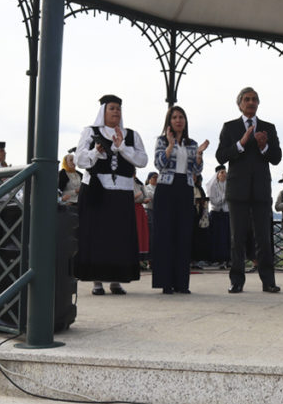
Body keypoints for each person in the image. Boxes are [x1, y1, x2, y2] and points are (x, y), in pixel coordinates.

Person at [74, 94, 148, 295]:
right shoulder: (91, 132)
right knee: (97, 235)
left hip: (122, 191)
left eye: (118, 108)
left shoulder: (131, 135)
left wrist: (121, 147)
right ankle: (97, 281)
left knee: (119, 236)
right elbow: (79, 159)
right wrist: (96, 152)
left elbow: (142, 160)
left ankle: (117, 279)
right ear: (103, 111)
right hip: (97, 190)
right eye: (112, 108)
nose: (116, 112)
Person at [216, 87, 282, 293]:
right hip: (237, 192)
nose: (251, 102)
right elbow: (220, 156)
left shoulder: (268, 128)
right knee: (237, 238)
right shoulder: (230, 127)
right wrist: (241, 143)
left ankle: (268, 281)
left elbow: (277, 157)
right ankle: (236, 281)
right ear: (240, 104)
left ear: (258, 103)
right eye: (247, 99)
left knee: (264, 238)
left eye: (254, 99)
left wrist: (264, 146)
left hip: (261, 191)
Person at [151, 106, 207, 294]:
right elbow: (159, 164)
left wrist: (199, 154)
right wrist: (169, 145)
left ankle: (182, 282)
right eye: (174, 117)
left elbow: (197, 170)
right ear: (169, 121)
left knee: (183, 235)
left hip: (185, 187)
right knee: (165, 235)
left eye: (181, 117)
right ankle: (166, 282)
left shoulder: (191, 143)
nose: (178, 120)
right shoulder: (161, 140)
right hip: (166, 187)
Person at [206, 165, 231, 267]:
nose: (224, 174)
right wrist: (224, 197)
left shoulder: (229, 184)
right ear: (217, 174)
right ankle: (217, 259)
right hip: (216, 214)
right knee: (217, 238)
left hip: (226, 213)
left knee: (227, 237)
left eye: (225, 172)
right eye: (221, 172)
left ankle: (228, 259)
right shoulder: (212, 185)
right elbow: (214, 201)